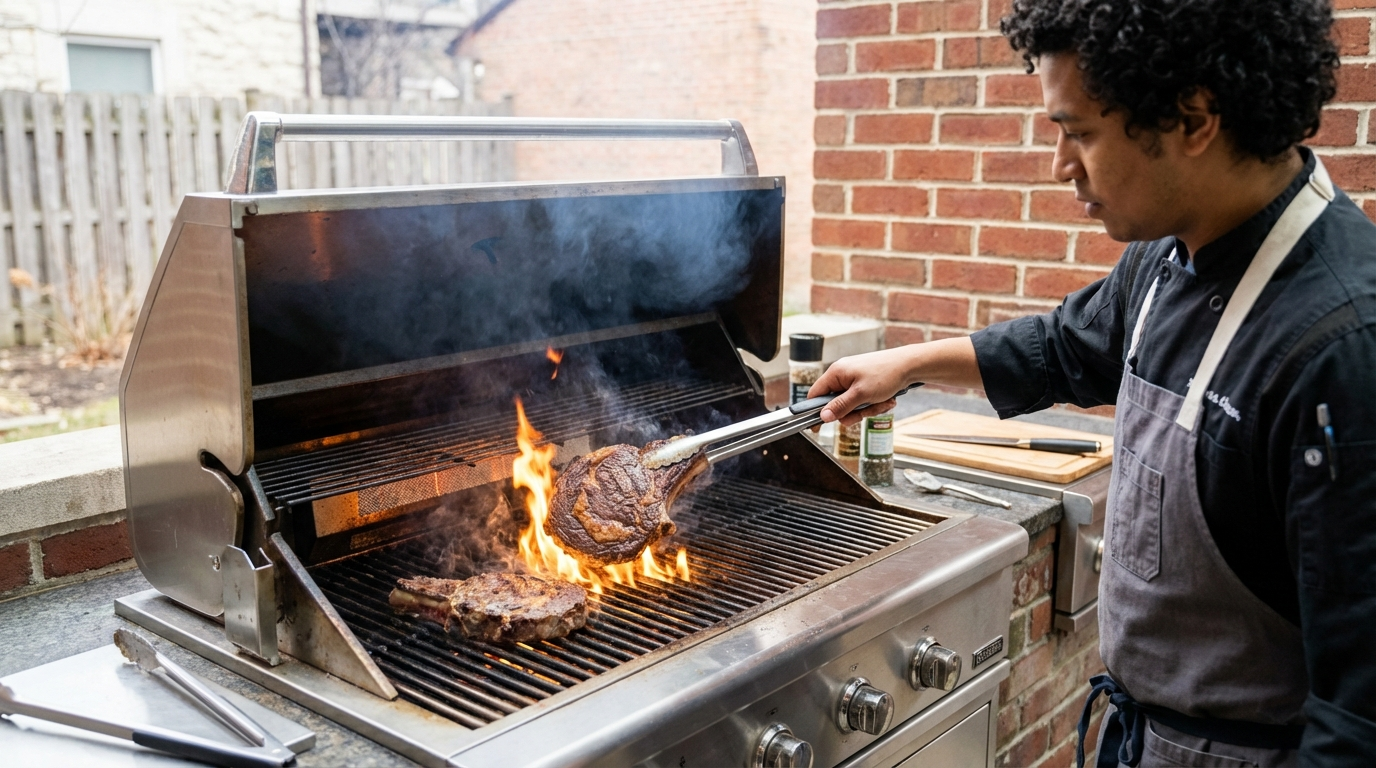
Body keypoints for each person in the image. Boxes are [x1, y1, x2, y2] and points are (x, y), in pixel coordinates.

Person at [809, 1, 1376, 766]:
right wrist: (909, 364)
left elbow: (1360, 718)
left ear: (1195, 118)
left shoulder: (1341, 349)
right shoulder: (1172, 251)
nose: (1060, 164)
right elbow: (1068, 344)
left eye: (1078, 132)